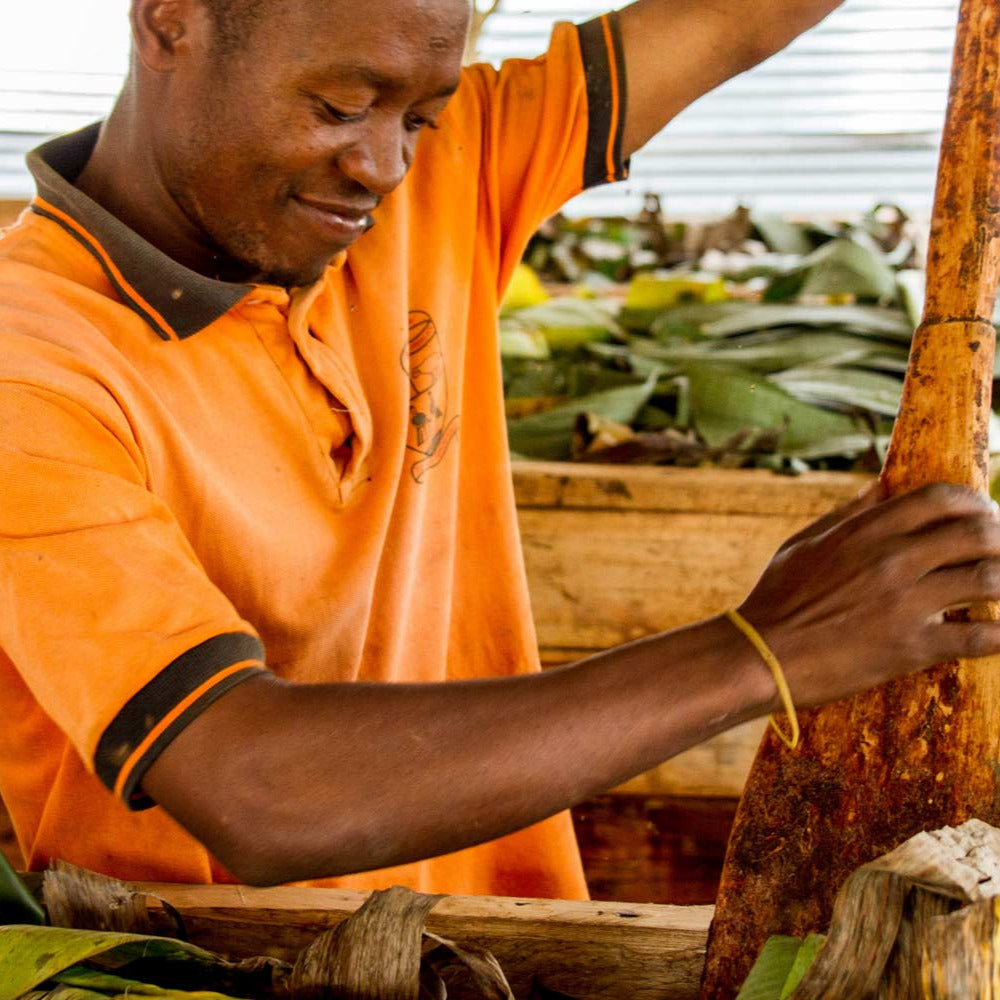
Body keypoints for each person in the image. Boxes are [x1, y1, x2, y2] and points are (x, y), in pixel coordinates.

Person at [2, 0, 1000, 899]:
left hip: (501, 944)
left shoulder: (448, 165)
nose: (384, 164)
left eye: (418, 115)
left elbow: (741, 16)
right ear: (170, 23)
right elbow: (254, 792)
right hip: (215, 968)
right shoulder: (29, 367)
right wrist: (763, 649)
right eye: (341, 103)